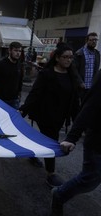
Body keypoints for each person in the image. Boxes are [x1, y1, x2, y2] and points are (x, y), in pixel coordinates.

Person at [19, 45, 80, 188]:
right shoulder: (46, 74)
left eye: (71, 57)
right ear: (57, 58)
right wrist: (23, 110)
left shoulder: (72, 75)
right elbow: (35, 94)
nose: (68, 60)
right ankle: (51, 174)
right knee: (52, 140)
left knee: (45, 138)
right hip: (45, 115)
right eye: (65, 57)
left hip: (61, 116)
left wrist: (78, 119)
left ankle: (32, 153)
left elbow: (74, 98)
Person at [50, 72, 101, 216]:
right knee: (90, 178)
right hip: (98, 140)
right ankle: (60, 194)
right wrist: (72, 137)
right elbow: (90, 106)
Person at [0, 41, 23, 109]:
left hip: (14, 100)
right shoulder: (2, 64)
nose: (18, 53)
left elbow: (20, 81)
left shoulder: (19, 65)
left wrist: (19, 95)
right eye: (15, 50)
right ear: (9, 51)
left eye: (20, 51)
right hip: (1, 100)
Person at [74, 32, 100, 102]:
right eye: (91, 40)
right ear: (86, 41)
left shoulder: (97, 54)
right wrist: (80, 82)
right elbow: (74, 70)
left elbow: (96, 70)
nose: (94, 42)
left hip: (91, 87)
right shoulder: (79, 53)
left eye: (95, 40)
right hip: (81, 87)